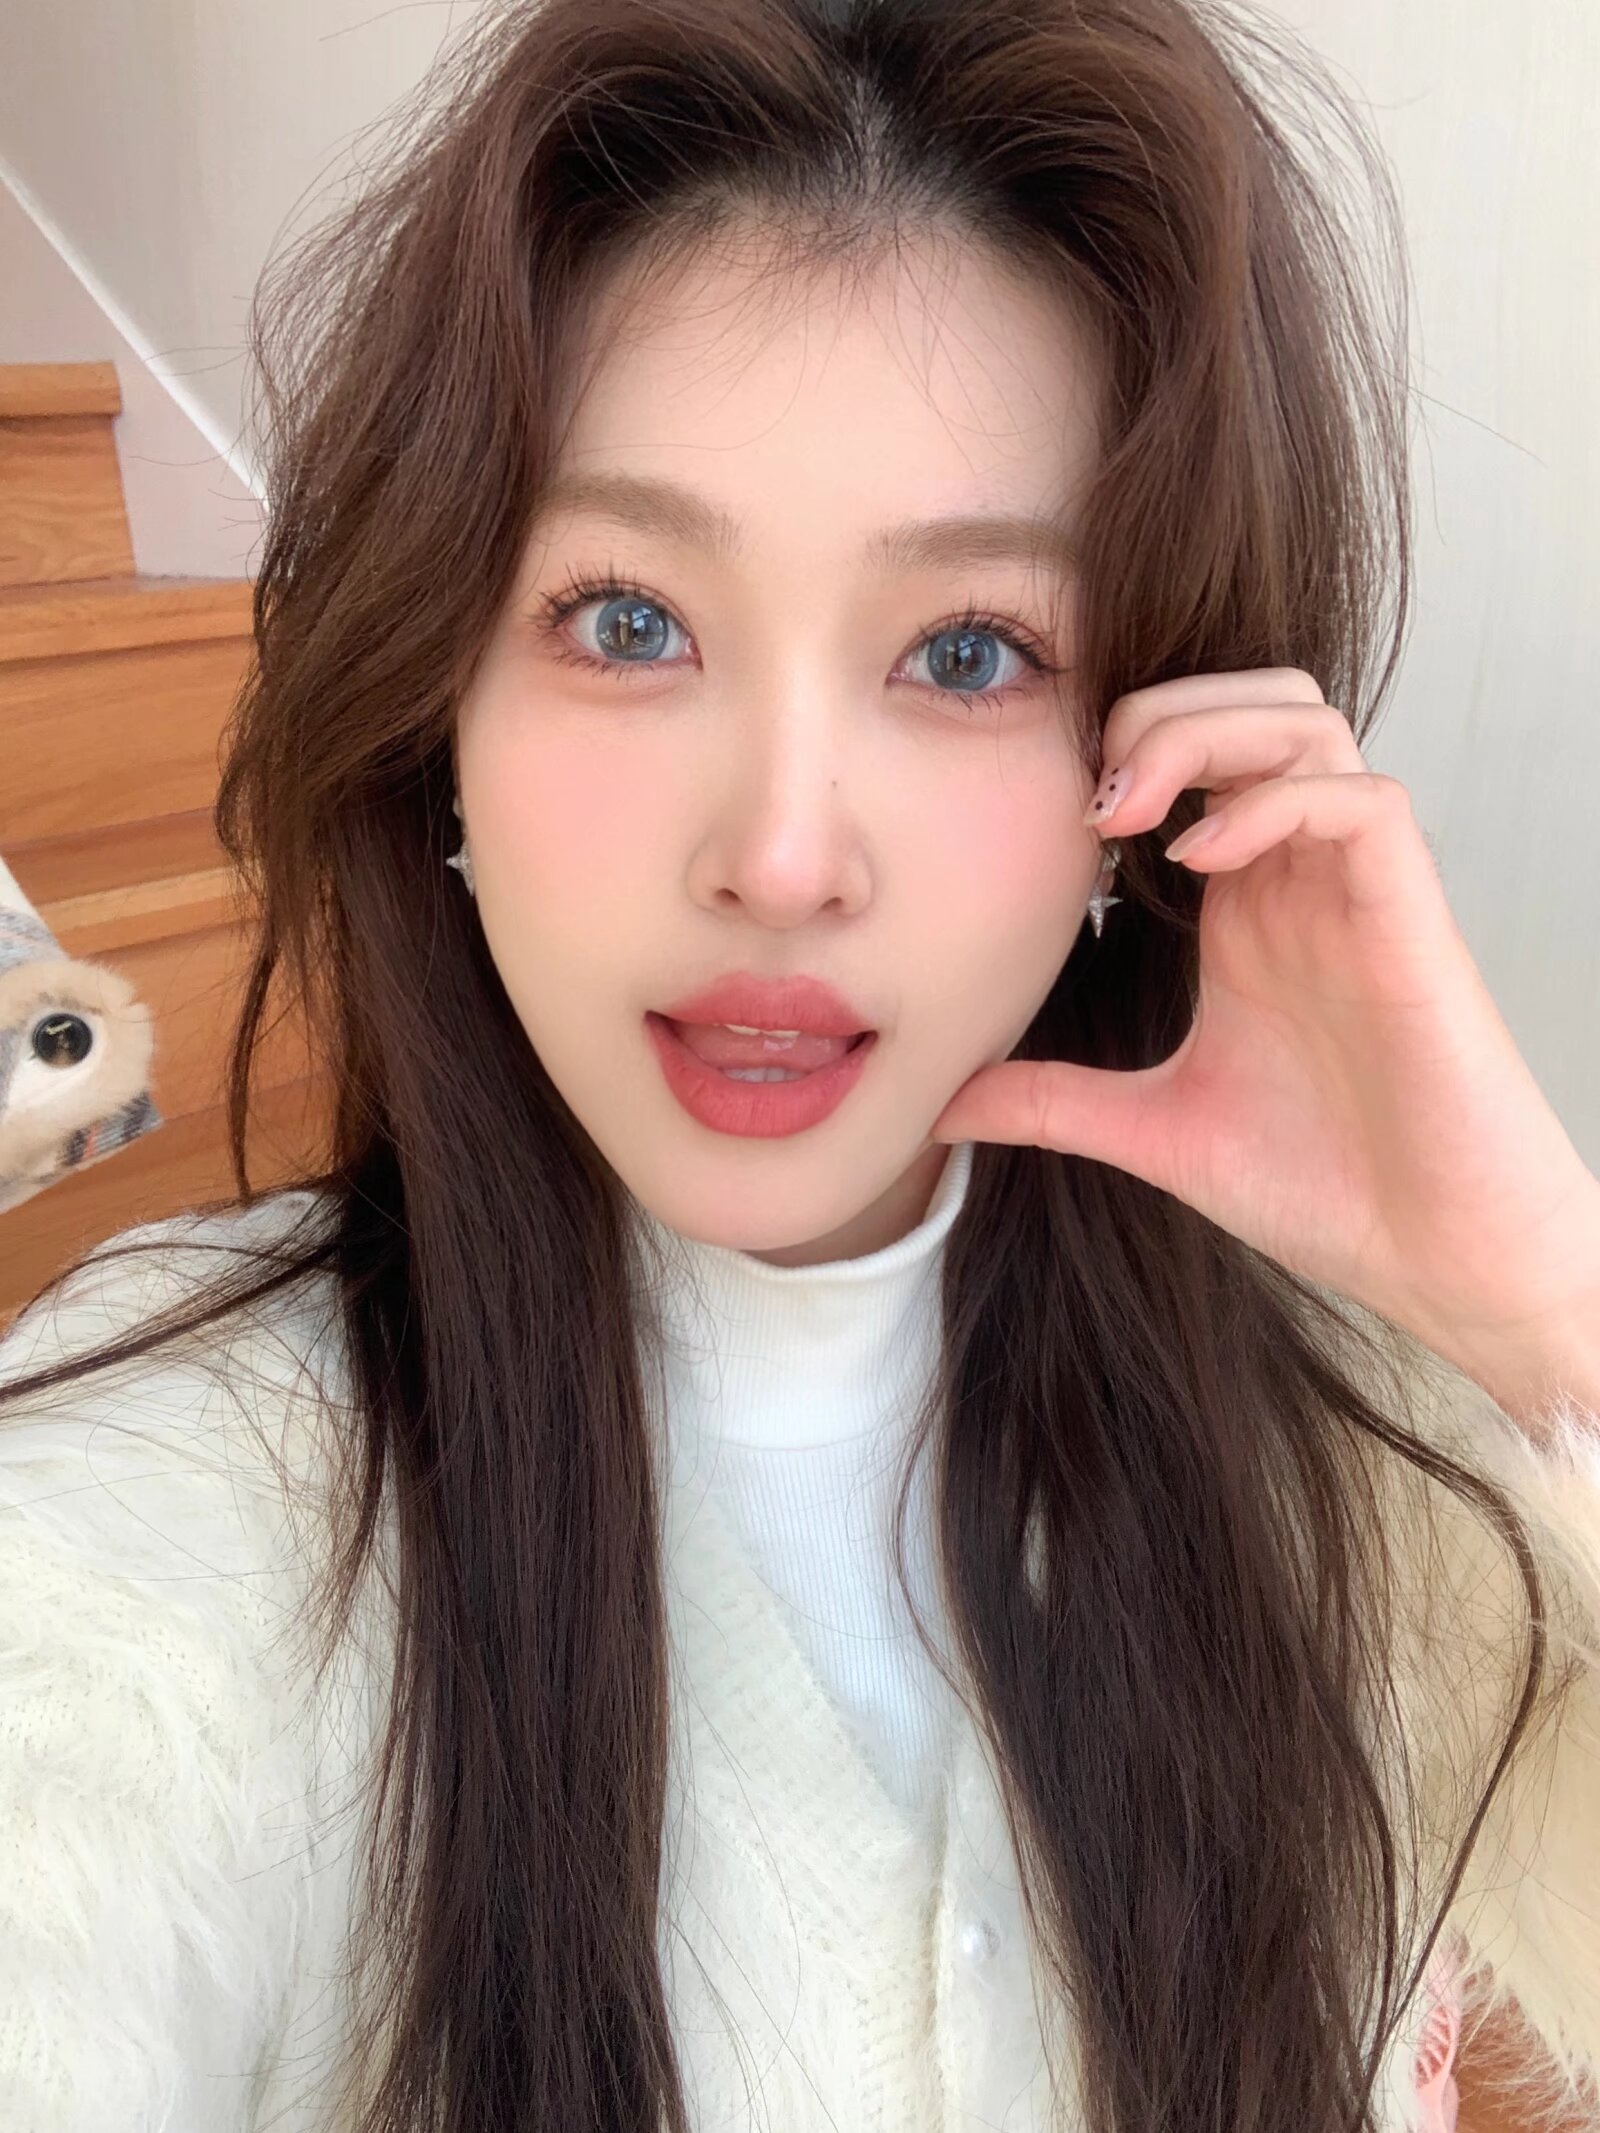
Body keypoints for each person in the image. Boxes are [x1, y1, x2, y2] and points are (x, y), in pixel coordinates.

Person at [2, 0, 1598, 2128]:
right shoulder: (172, 1498)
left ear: (1146, 783)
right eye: (626, 620)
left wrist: (1541, 1317)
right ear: (439, 709)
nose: (776, 856)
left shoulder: (1362, 1456)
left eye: (968, 651)